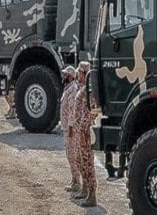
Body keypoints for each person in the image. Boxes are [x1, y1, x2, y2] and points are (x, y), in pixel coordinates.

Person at [72, 61, 97, 207]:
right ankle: (85, 189)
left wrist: (82, 129)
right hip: (80, 132)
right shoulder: (83, 89)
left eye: (80, 73)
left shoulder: (90, 90)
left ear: (83, 73)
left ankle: (92, 195)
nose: (78, 75)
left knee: (87, 163)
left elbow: (90, 112)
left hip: (85, 133)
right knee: (81, 162)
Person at [59, 66, 81, 194]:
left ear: (71, 76)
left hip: (70, 127)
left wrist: (71, 126)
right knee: (69, 154)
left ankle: (77, 182)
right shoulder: (68, 88)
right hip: (67, 126)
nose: (64, 77)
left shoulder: (73, 89)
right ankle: (74, 179)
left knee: (72, 154)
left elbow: (72, 109)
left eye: (66, 75)